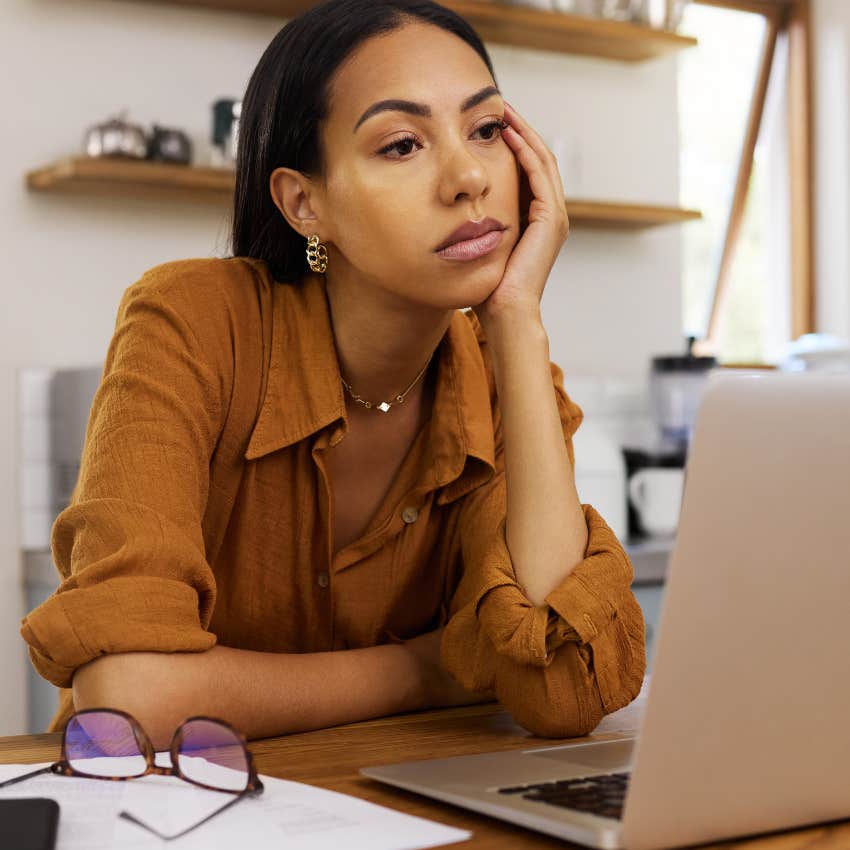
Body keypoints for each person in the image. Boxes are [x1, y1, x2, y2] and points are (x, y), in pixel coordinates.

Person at [21, 0, 645, 750]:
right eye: (403, 144)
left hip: (406, 810)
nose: (468, 177)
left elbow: (560, 689)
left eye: (485, 130)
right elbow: (129, 699)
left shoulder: (504, 369)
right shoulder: (194, 319)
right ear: (303, 202)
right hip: (161, 811)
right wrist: (438, 666)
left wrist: (516, 316)